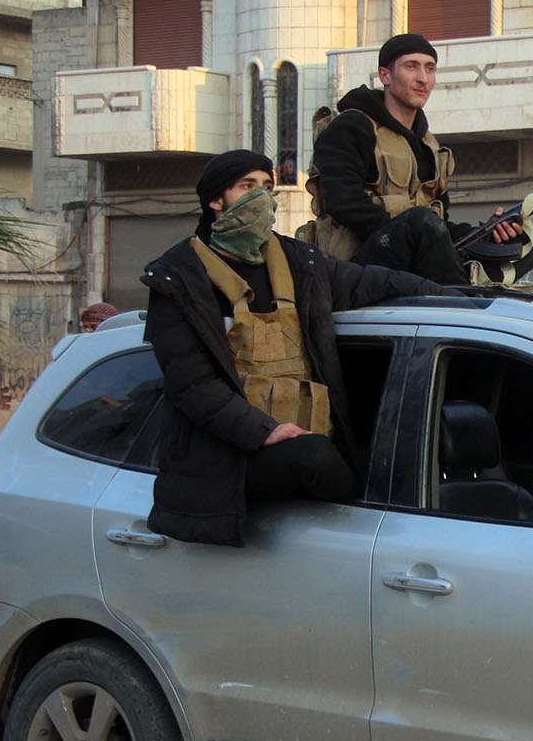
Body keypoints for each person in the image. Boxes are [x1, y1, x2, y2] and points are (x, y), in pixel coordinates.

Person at [140, 149, 455, 546]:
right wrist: (265, 431)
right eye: (246, 186)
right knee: (315, 458)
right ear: (215, 200)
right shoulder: (179, 278)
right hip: (231, 458)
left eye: (267, 187)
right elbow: (194, 386)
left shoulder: (297, 261)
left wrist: (461, 298)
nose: (261, 197)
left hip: (305, 433)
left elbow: (375, 283)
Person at [307, 33, 521, 285]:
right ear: (385, 75)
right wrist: (408, 231)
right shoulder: (353, 126)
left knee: (517, 241)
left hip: (410, 262)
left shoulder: (428, 145)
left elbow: (439, 225)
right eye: (411, 66)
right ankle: (467, 305)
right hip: (354, 270)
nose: (423, 78)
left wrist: (485, 232)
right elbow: (342, 202)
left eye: (430, 69)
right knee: (420, 223)